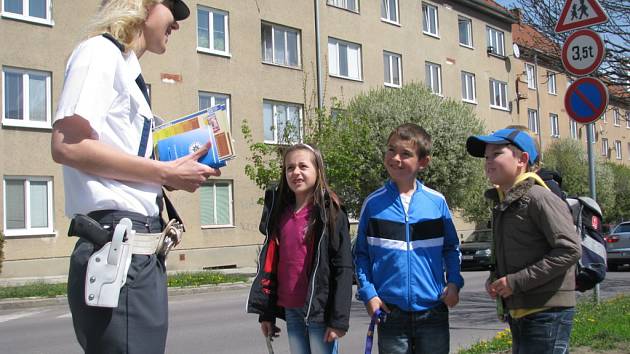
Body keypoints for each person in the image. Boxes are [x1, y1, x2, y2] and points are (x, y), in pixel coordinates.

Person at [51, 1, 220, 353]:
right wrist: (163, 171)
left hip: (138, 251)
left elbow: (120, 162)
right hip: (119, 247)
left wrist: (172, 176)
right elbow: (68, 145)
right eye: (171, 7)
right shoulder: (99, 53)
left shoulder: (127, 69)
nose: (178, 22)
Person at [466, 128, 581, 354]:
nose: (488, 162)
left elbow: (569, 250)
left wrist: (515, 282)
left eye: (497, 154)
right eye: (486, 157)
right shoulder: (506, 201)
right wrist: (496, 279)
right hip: (523, 311)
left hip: (546, 312)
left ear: (522, 159)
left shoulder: (539, 198)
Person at [354, 123, 464, 354]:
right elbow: (360, 255)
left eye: (406, 154)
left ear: (423, 162)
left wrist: (453, 283)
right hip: (389, 311)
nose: (396, 158)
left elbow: (451, 248)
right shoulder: (373, 204)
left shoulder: (437, 202)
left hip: (433, 310)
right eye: (391, 150)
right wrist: (369, 295)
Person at [247, 143, 353, 354]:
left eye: (303, 166)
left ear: (318, 171)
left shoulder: (330, 213)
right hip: (291, 309)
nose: (296, 172)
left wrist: (338, 320)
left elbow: (343, 267)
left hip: (320, 311)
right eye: (290, 167)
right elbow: (270, 265)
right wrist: (266, 314)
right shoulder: (279, 212)